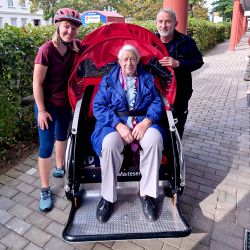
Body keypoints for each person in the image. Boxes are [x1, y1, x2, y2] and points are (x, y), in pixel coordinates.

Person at [91, 44, 165, 223]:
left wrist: (146, 122)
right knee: (108, 145)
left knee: (155, 140)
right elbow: (98, 107)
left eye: (132, 58)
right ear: (119, 61)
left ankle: (147, 194)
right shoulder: (108, 80)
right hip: (114, 124)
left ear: (138, 61)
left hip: (142, 123)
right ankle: (108, 197)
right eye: (125, 59)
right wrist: (118, 125)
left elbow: (156, 102)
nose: (129, 63)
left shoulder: (147, 79)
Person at [33, 8, 82, 212]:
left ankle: (59, 166)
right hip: (46, 103)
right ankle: (45, 189)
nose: (69, 31)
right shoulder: (46, 49)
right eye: (66, 27)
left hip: (63, 102)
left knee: (62, 135)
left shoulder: (73, 48)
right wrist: (42, 110)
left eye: (73, 28)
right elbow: (37, 82)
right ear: (58, 26)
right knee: (45, 146)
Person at [156, 8, 204, 138]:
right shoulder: (150, 42)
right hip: (155, 95)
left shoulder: (186, 42)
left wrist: (178, 64)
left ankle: (176, 156)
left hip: (180, 94)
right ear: (156, 23)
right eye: (160, 21)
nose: (163, 25)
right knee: (156, 127)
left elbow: (198, 61)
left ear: (175, 23)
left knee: (177, 128)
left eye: (168, 22)